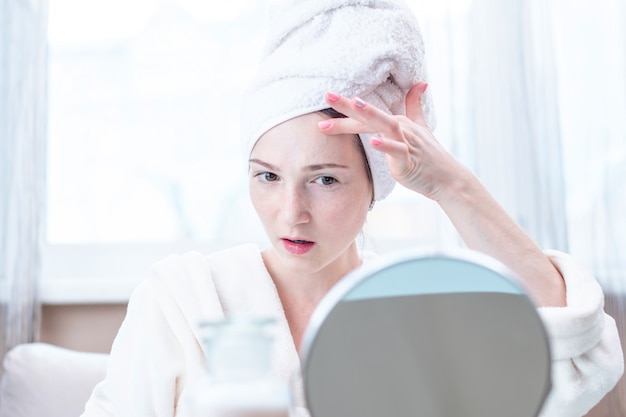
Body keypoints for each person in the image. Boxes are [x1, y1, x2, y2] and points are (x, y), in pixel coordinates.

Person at [81, 1, 623, 416]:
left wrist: (451, 186)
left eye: (324, 180)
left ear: (375, 183)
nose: (290, 212)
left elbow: (581, 361)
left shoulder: (418, 307)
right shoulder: (181, 298)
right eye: (267, 176)